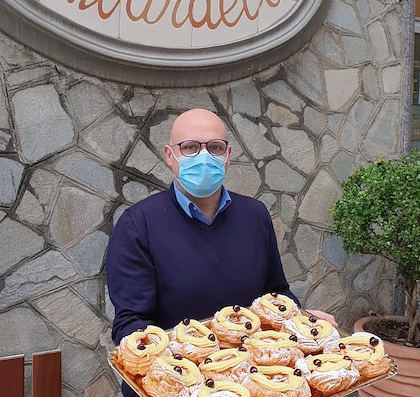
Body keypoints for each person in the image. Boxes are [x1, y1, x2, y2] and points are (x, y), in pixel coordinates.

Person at [106, 108, 336, 395]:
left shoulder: (255, 216)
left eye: (214, 147)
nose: (204, 156)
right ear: (169, 156)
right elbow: (131, 325)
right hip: (172, 385)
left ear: (227, 156)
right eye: (190, 147)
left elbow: (275, 294)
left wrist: (299, 321)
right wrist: (185, 374)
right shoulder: (138, 224)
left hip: (250, 381)